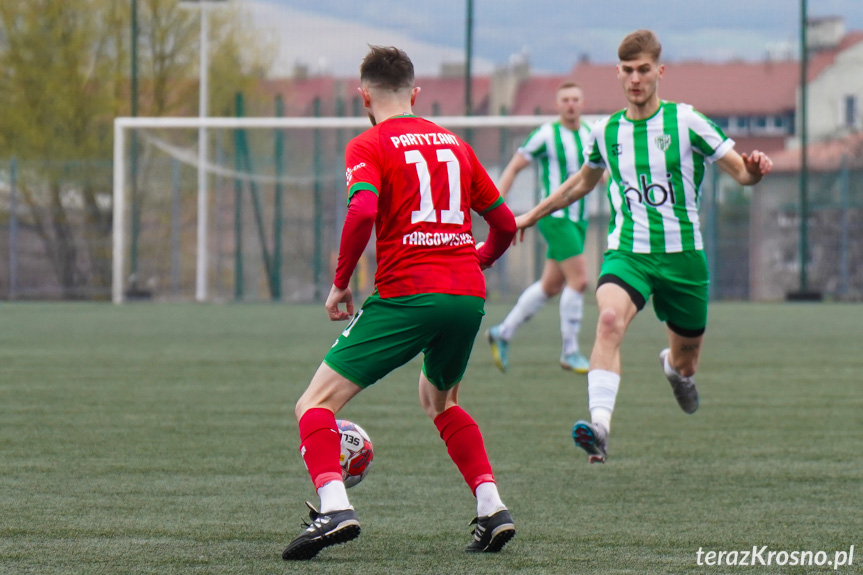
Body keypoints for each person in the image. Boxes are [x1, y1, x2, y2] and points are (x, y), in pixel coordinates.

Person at [282, 45, 518, 560]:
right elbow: (504, 224)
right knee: (441, 401)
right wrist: (476, 261)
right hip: (466, 295)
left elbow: (363, 209)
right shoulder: (456, 143)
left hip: (410, 293)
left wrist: (341, 281)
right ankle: (492, 507)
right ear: (415, 93)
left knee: (313, 404)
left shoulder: (368, 144)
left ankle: (334, 506)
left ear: (362, 95)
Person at [513, 30, 773, 464]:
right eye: (628, 71)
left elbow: (742, 175)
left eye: (644, 70)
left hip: (684, 258)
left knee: (688, 361)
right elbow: (581, 183)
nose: (636, 78)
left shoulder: (687, 122)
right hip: (628, 252)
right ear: (619, 73)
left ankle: (674, 368)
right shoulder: (606, 131)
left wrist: (756, 169)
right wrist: (530, 215)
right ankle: (599, 427)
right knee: (609, 320)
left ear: (659, 71)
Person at [486, 81, 593, 374]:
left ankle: (502, 332)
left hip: (579, 218)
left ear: (582, 103)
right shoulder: (546, 134)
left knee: (550, 286)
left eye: (575, 99)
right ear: (558, 105)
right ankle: (570, 352)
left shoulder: (589, 134)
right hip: (555, 216)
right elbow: (513, 167)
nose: (571, 104)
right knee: (580, 280)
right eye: (565, 100)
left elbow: (601, 174)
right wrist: (498, 208)